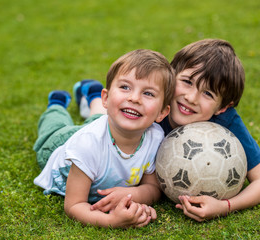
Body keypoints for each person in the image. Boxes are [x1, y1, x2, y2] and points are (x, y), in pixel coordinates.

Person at [91, 39, 260, 222]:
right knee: (98, 118)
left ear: (223, 107)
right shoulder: (150, 106)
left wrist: (225, 206)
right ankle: (92, 95)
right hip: (105, 123)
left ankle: (91, 94)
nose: (191, 97)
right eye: (187, 81)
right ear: (171, 76)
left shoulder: (226, 122)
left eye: (208, 93)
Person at [33, 49, 176, 228]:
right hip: (58, 144)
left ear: (162, 112)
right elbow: (74, 205)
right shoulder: (87, 145)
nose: (134, 98)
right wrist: (110, 220)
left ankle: (91, 95)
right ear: (106, 98)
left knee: (99, 119)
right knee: (55, 127)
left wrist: (132, 195)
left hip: (106, 126)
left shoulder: (154, 137)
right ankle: (56, 104)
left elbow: (153, 188)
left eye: (148, 93)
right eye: (125, 87)